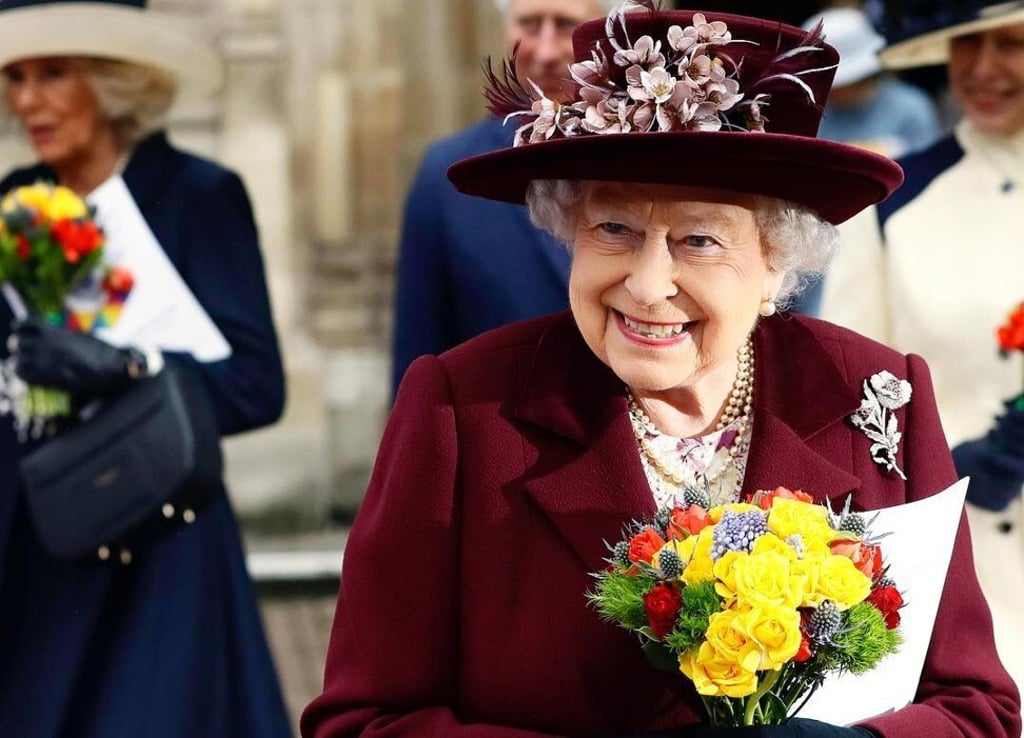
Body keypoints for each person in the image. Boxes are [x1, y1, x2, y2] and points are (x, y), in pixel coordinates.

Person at [302, 5, 1020, 737]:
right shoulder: (461, 410)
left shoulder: (877, 396)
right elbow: (362, 720)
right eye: (613, 228)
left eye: (699, 240)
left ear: (777, 264)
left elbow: (978, 708)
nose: (647, 284)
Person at [0, 1, 292, 736]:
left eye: (53, 73)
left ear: (113, 81)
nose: (26, 99)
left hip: (165, 546)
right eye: (15, 76)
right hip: (39, 551)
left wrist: (126, 365)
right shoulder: (13, 210)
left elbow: (257, 387)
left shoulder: (198, 197)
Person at [818, 0, 1024, 706]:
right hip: (966, 581)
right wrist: (945, 470)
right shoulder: (893, 199)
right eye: (965, 45)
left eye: (1010, 44)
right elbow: (844, 407)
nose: (983, 69)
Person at [389, 0, 614, 399]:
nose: (545, 51)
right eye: (529, 24)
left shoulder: (655, 164)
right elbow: (417, 357)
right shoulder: (450, 174)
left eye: (566, 26)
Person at [801, 7, 941, 159]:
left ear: (860, 77)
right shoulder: (811, 117)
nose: (828, 90)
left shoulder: (910, 108)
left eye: (835, 84)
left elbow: (930, 166)